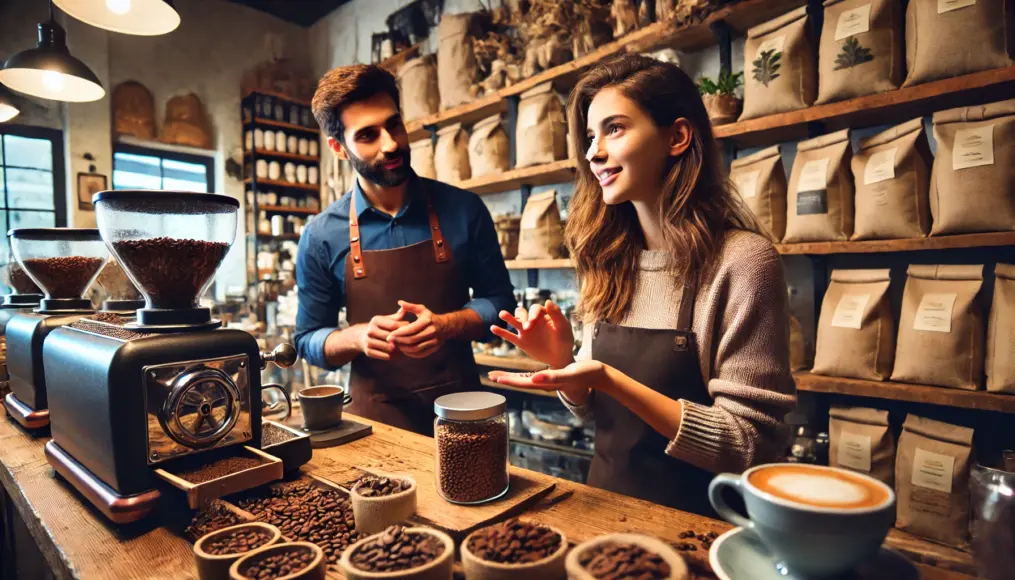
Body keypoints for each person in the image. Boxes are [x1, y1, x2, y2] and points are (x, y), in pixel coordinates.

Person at [488, 54, 796, 514]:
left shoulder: (743, 262)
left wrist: (611, 380)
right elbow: (596, 413)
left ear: (677, 136)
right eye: (591, 136)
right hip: (602, 513)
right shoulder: (608, 260)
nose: (593, 153)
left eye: (614, 129)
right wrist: (562, 364)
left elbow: (752, 445)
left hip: (699, 526)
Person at [295, 64, 515, 435]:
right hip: (375, 426)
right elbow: (308, 339)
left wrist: (446, 325)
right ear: (338, 147)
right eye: (367, 135)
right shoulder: (320, 236)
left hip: (464, 416)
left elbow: (501, 303)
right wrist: (358, 336)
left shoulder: (464, 210)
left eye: (393, 125)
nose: (391, 144)